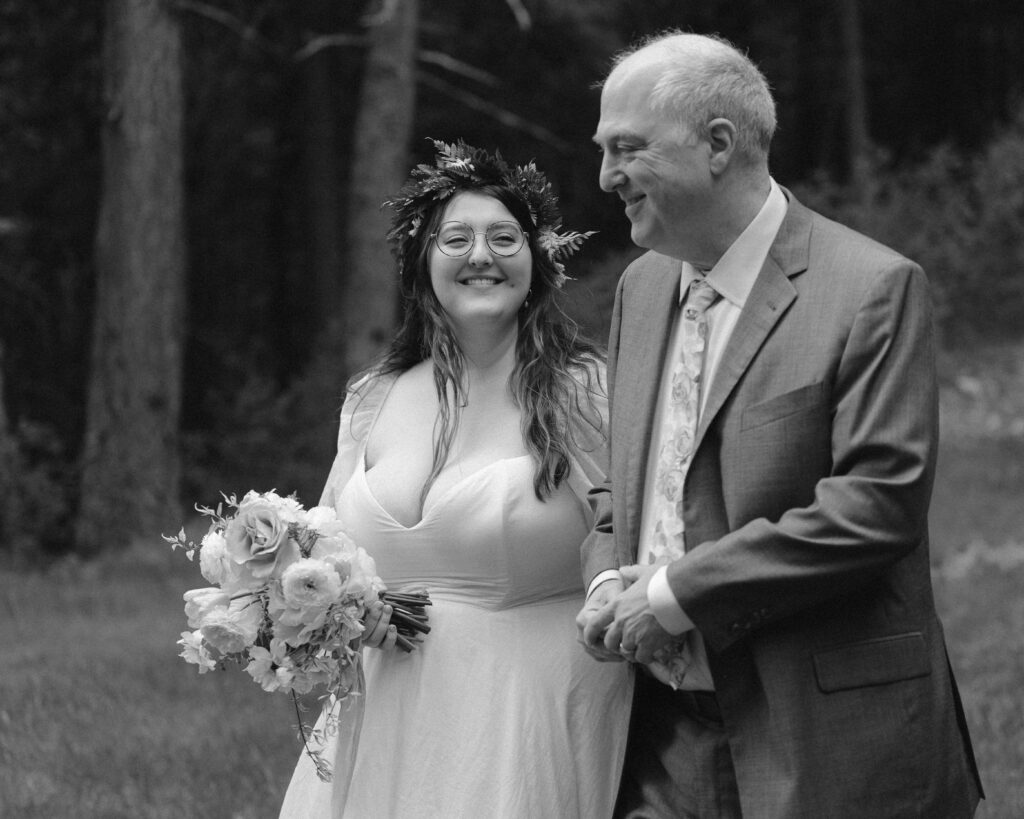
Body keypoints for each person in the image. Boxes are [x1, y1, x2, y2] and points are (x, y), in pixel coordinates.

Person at [577, 31, 984, 818]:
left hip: (829, 739)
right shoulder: (640, 288)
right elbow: (612, 479)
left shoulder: (871, 287)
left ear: (719, 145)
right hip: (664, 742)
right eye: (603, 150)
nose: (605, 177)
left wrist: (671, 592)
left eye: (626, 148)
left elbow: (874, 506)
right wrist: (606, 578)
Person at [279, 140, 633, 818]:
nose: (481, 255)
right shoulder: (373, 396)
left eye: (504, 237)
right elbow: (322, 542)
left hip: (524, 710)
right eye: (457, 238)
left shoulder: (582, 391)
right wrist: (346, 605)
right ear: (421, 264)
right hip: (385, 712)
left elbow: (628, 527)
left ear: (537, 262)